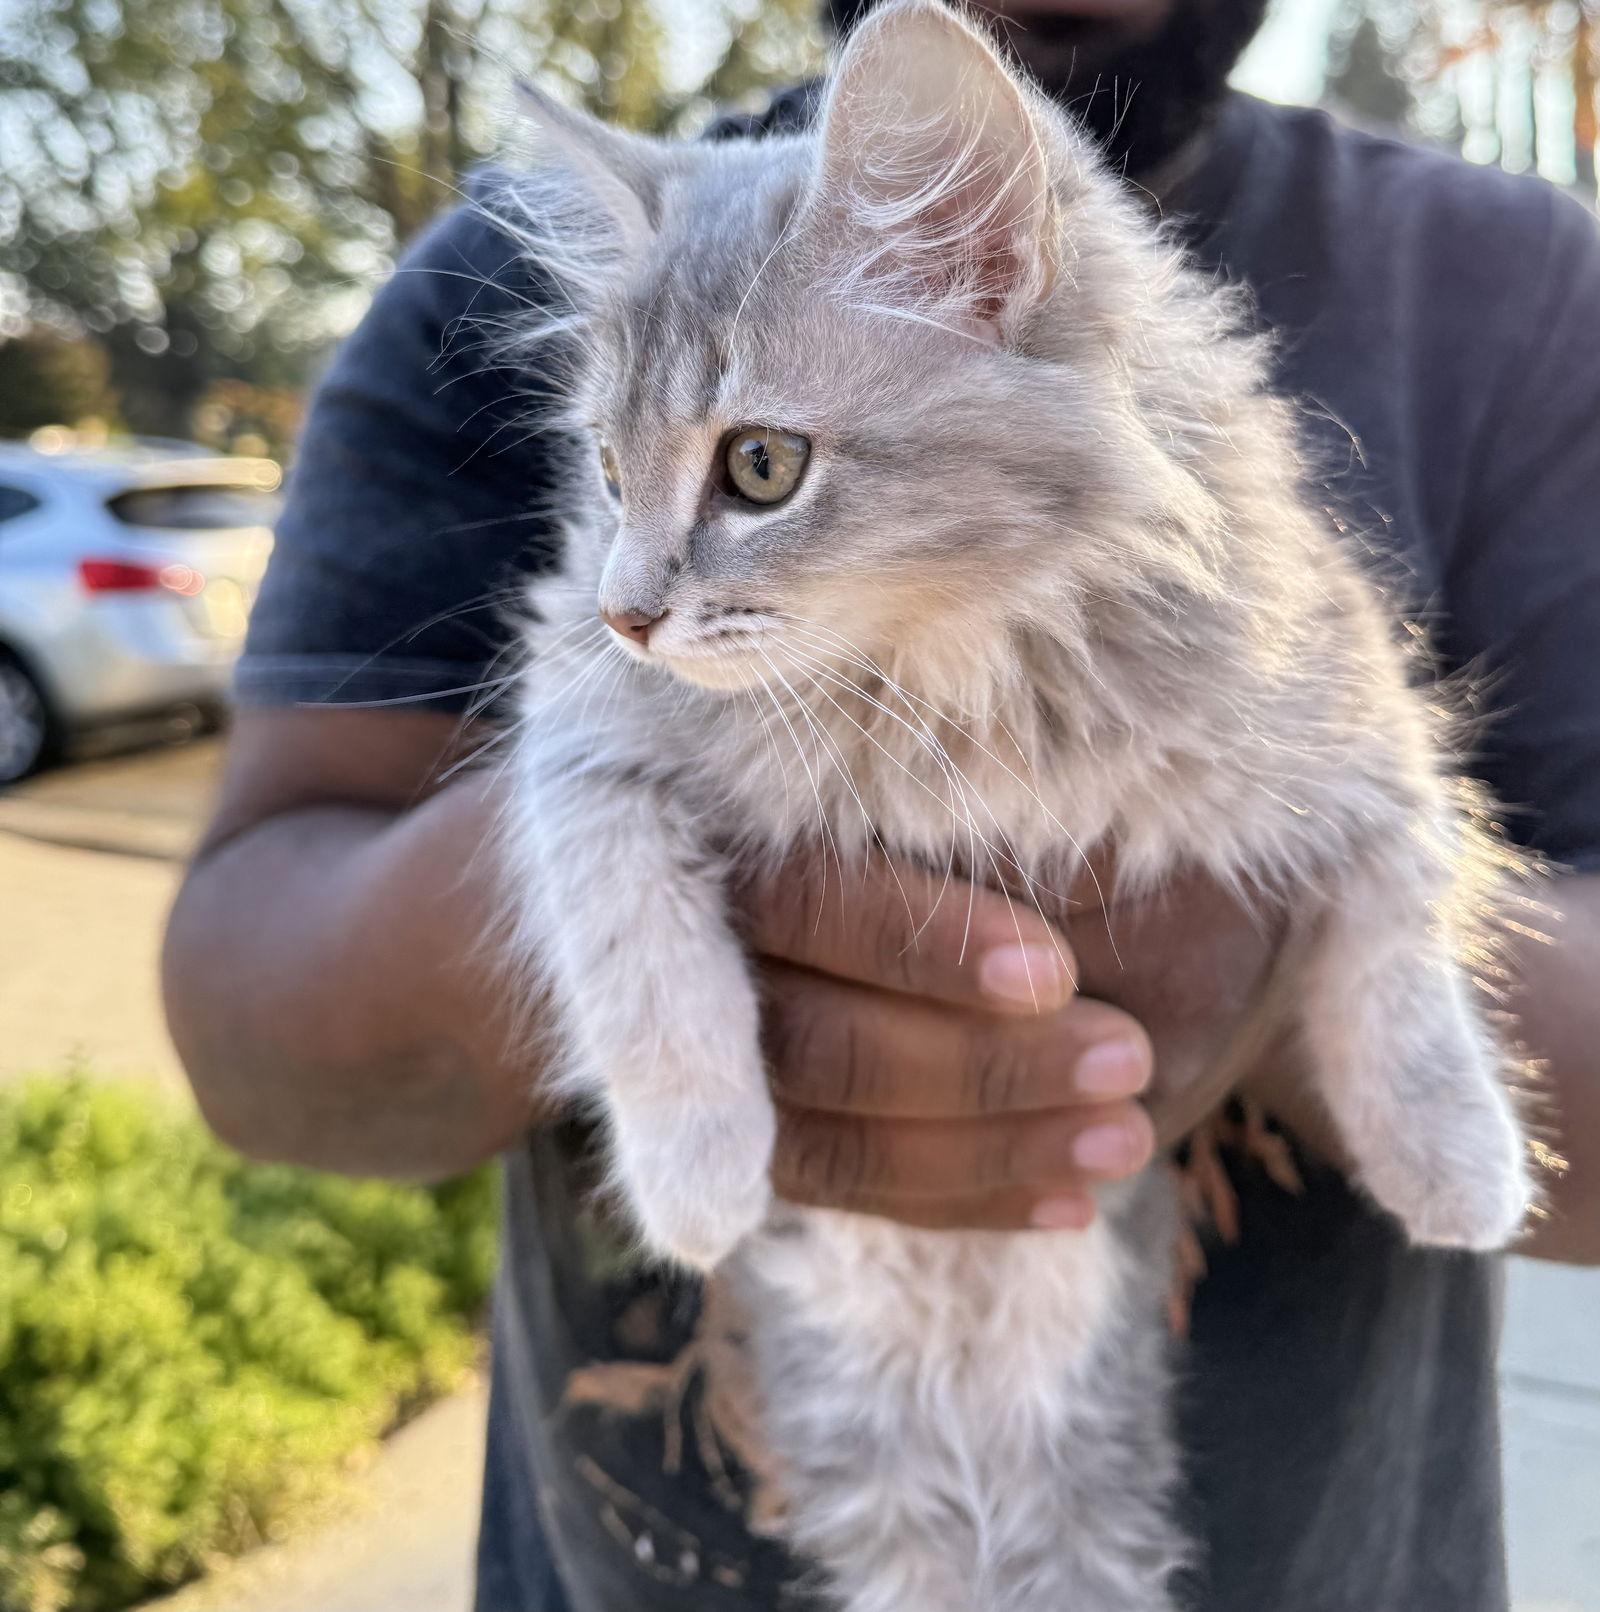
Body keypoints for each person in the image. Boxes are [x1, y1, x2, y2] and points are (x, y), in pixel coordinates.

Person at [162, 1, 1600, 1607]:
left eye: (757, 473)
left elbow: (1373, 783)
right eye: (617, 475)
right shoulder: (479, 286)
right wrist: (653, 950)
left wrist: (1293, 991)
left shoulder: (1519, 288)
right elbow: (249, 1015)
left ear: (989, 267)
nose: (640, 596)